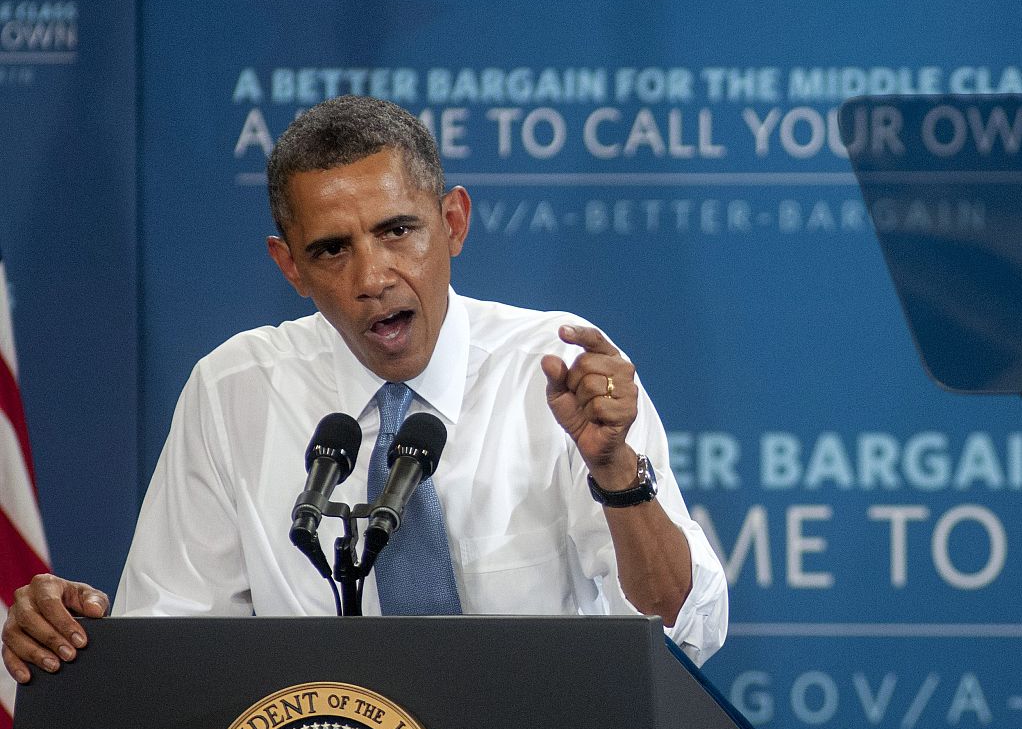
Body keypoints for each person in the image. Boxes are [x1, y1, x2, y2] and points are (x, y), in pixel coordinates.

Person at [1, 95, 728, 682]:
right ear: (290, 266)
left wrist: (617, 476)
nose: (372, 279)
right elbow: (168, 646)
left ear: (453, 224)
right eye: (331, 249)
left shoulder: (556, 369)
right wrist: (70, 631)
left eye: (397, 232)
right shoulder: (235, 390)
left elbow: (683, 621)